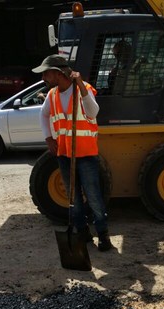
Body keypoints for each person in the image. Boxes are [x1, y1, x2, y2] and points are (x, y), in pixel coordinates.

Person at [32, 54, 113, 252]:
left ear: (57, 73)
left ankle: (103, 235)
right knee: (73, 199)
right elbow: (43, 115)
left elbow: (93, 113)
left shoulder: (81, 89)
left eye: (46, 74)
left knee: (93, 197)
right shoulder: (52, 95)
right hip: (65, 154)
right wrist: (48, 138)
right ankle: (82, 232)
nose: (43, 78)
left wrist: (82, 86)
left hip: (85, 155)